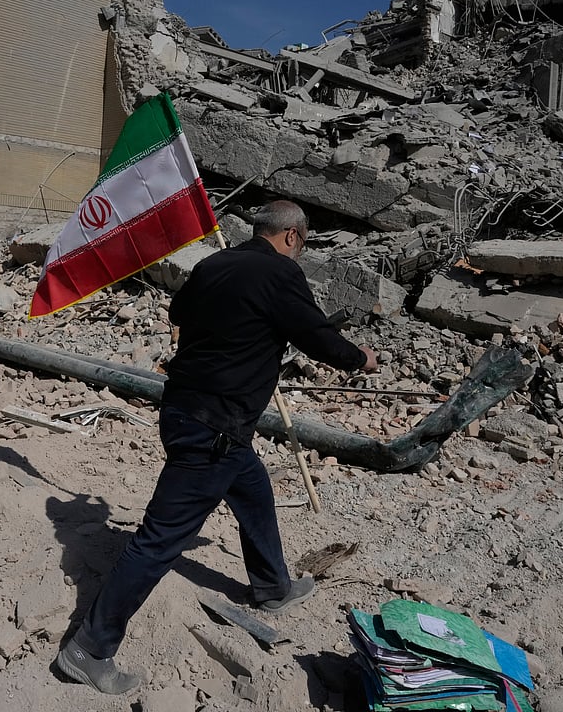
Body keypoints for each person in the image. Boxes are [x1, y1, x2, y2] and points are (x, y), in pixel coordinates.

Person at [56, 199, 378, 694]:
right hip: (215, 428)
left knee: (251, 486)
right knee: (158, 540)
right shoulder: (279, 273)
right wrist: (360, 359)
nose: (300, 251)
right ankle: (89, 649)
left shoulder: (212, 263)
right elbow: (316, 336)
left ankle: (272, 587)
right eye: (303, 243)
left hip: (186, 412)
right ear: (292, 236)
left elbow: (179, 311)